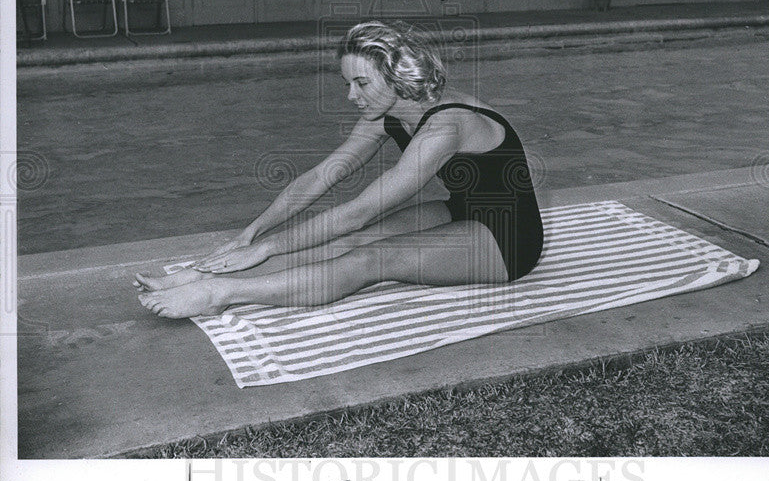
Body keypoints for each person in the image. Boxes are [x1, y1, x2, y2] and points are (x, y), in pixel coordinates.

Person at [135, 20, 543, 319]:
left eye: (361, 84)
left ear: (395, 76)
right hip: (461, 211)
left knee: (372, 258)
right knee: (346, 242)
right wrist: (253, 231)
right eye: (348, 83)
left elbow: (359, 210)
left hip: (507, 238)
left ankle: (220, 294)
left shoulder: (446, 126)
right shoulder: (387, 111)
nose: (351, 95)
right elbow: (325, 174)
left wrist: (268, 247)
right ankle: (194, 276)